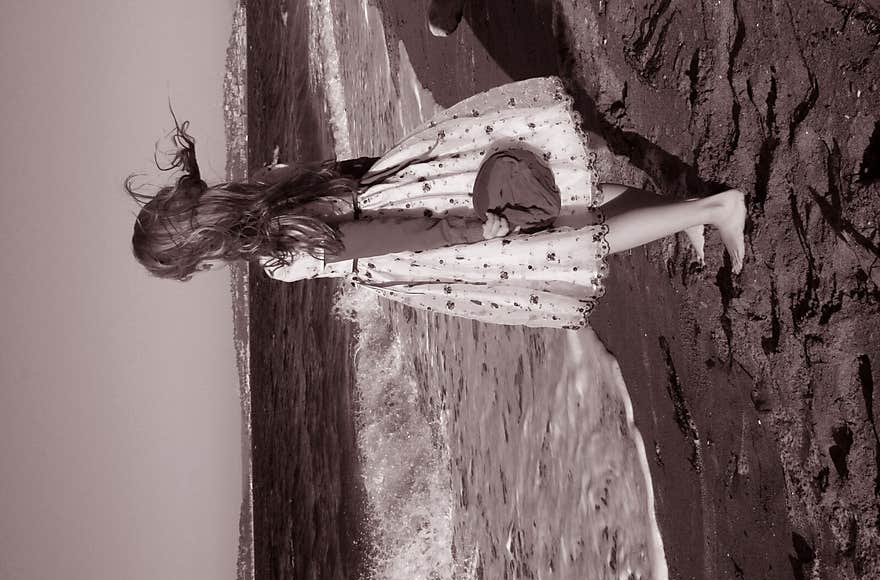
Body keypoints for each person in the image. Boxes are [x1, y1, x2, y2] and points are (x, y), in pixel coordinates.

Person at [127, 77, 745, 329]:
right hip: (414, 178)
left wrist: (477, 232)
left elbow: (383, 242)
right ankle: (687, 210)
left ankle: (713, 211)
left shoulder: (280, 249)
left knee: (577, 234)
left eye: (196, 264)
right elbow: (353, 176)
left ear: (203, 250)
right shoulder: (267, 181)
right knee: (569, 194)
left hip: (437, 225)